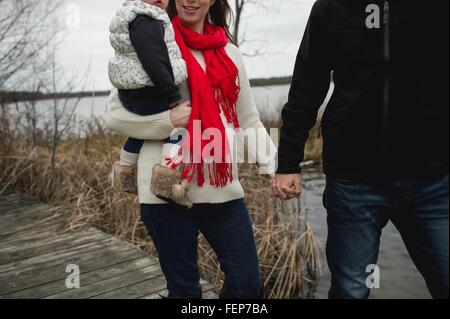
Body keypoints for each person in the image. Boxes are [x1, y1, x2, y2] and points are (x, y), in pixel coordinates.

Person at [273, 0, 449, 299]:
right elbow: (307, 86)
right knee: (351, 290)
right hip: (353, 180)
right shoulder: (331, 7)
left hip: (431, 179)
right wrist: (289, 162)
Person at [107, 0, 276, 299]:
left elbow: (248, 118)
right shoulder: (150, 41)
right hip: (165, 192)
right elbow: (116, 116)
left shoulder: (229, 53)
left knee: (248, 287)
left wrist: (276, 167)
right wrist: (167, 121)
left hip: (220, 189)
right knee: (185, 293)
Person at [108, 0, 193, 207]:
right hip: (151, 90)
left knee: (138, 132)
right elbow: (156, 62)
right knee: (179, 128)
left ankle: (125, 172)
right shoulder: (147, 20)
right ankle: (166, 183)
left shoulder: (131, 16)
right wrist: (173, 96)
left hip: (132, 92)